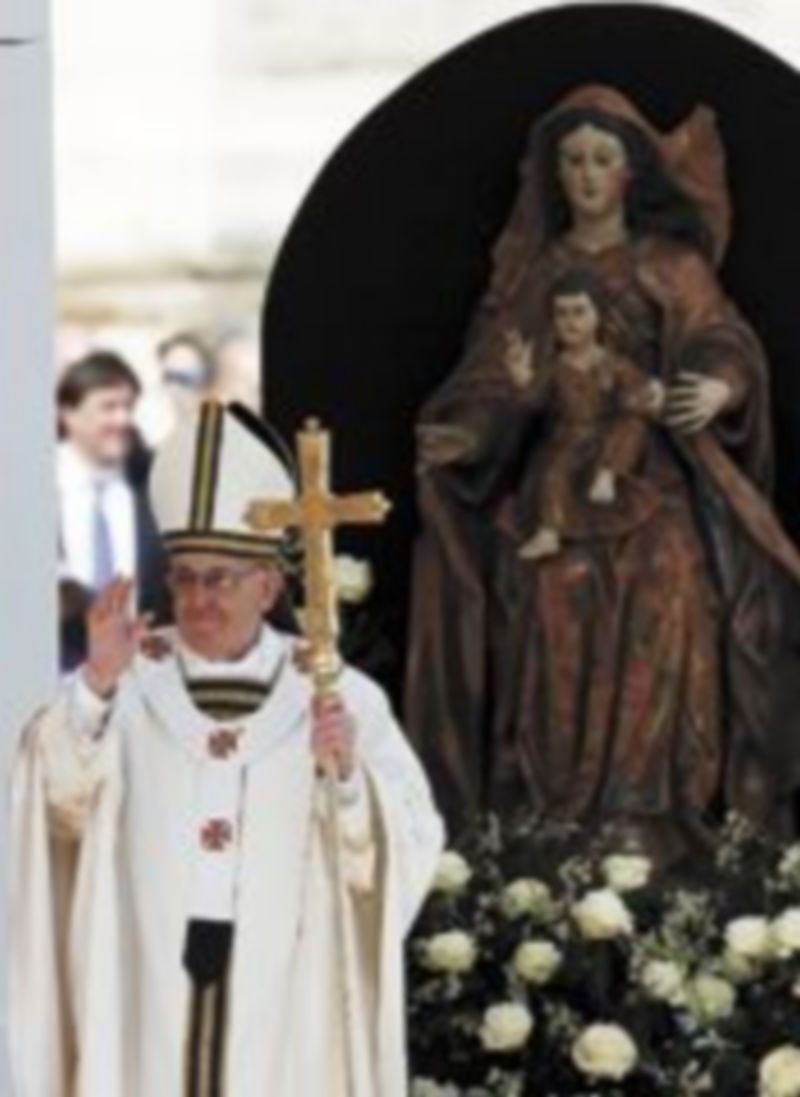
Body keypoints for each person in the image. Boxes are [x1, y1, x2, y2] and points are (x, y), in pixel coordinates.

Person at [407, 84, 800, 856]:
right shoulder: (538, 273)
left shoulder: (672, 264)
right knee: (552, 604)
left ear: (630, 173)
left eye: (601, 159)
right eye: (573, 160)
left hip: (654, 479)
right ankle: (557, 816)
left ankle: (652, 813)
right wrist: (469, 435)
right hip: (560, 480)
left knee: (671, 587)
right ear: (556, 174)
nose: (587, 174)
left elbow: (721, 338)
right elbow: (499, 380)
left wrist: (720, 385)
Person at [11, 400, 444, 1096]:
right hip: (146, 977)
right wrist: (94, 685)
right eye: (184, 576)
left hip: (285, 990)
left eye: (220, 578)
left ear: (268, 586)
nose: (198, 597)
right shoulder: (128, 679)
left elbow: (400, 847)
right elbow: (57, 807)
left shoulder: (337, 695)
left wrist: (348, 779)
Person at [511, 269, 663, 561]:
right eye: (562, 314)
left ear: (598, 316)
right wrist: (523, 381)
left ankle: (608, 474)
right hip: (568, 439)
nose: (570, 322)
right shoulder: (553, 368)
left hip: (607, 436)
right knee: (554, 471)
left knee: (633, 425)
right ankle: (549, 531)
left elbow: (637, 392)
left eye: (579, 312)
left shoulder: (613, 363)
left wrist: (651, 395)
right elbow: (534, 403)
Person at [56, 350, 168, 669]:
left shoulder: (153, 484)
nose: (123, 420)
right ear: (69, 413)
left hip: (142, 669)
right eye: (108, 407)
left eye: (128, 407)